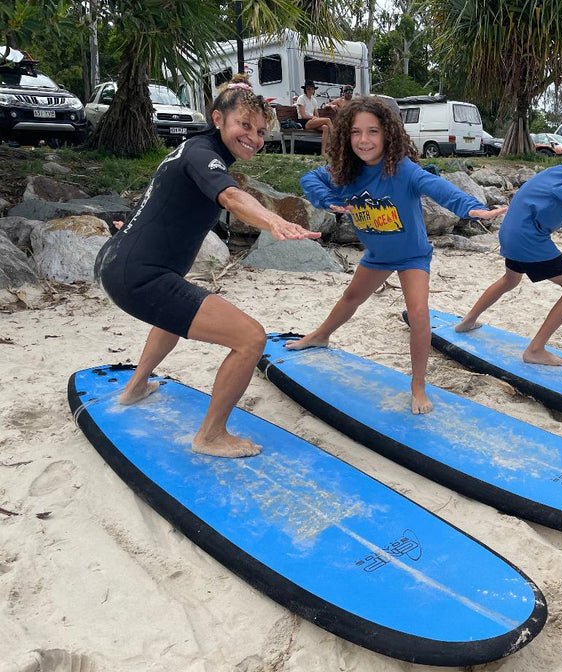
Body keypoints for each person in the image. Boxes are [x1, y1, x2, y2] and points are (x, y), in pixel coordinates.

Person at [94, 74, 320, 458]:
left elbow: (160, 198)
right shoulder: (202, 154)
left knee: (171, 317)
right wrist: (274, 221)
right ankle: (211, 436)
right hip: (138, 276)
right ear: (218, 119)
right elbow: (231, 197)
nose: (253, 137)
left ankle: (136, 387)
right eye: (244, 125)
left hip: (121, 265)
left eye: (260, 131)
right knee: (251, 339)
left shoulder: (192, 150)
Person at [287, 96, 507, 414]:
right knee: (350, 298)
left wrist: (471, 207)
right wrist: (326, 198)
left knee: (418, 313)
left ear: (388, 134)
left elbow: (437, 187)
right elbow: (310, 179)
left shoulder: (402, 170)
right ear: (346, 136)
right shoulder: (346, 171)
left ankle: (418, 385)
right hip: (377, 255)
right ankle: (320, 336)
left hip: (411, 256)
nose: (364, 140)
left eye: (373, 131)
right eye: (356, 132)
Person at [453, 141, 562, 366]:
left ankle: (467, 321)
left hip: (513, 233)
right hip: (528, 237)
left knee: (510, 279)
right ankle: (535, 350)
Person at [296, 80, 332, 152]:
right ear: (305, 90)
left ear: (314, 90)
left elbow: (317, 115)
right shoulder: (301, 98)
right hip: (304, 122)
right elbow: (303, 115)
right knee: (328, 120)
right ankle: (336, 141)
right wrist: (312, 117)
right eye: (308, 89)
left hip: (312, 121)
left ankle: (323, 152)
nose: (310, 90)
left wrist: (316, 119)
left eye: (312, 89)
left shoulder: (314, 100)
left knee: (325, 127)